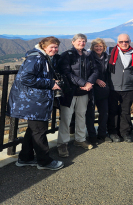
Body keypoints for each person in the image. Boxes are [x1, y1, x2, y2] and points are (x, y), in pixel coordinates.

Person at [7, 36, 64, 171]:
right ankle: (44, 161)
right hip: (33, 102)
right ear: (44, 46)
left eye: (56, 47)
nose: (55, 50)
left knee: (33, 130)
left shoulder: (41, 57)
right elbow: (25, 78)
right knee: (39, 131)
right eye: (52, 47)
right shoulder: (36, 58)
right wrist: (50, 83)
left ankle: (25, 158)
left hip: (34, 101)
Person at [57, 33, 98, 157]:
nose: (82, 43)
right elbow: (67, 73)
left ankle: (80, 139)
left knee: (81, 115)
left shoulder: (88, 55)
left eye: (84, 41)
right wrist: (84, 83)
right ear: (73, 42)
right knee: (66, 118)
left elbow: (95, 70)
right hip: (69, 92)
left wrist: (89, 83)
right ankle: (62, 144)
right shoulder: (66, 55)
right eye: (79, 41)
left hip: (84, 92)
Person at [108, 33, 133, 143]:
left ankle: (125, 132)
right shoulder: (110, 52)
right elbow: (93, 51)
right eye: (121, 42)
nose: (124, 43)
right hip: (113, 87)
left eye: (126, 41)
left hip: (128, 88)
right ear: (117, 42)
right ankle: (113, 132)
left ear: (129, 42)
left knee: (125, 111)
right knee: (113, 111)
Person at [86, 38, 110, 143]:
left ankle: (102, 134)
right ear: (92, 47)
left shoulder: (106, 57)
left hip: (103, 88)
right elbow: (86, 71)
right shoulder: (88, 57)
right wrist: (95, 80)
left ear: (104, 47)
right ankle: (92, 135)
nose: (98, 48)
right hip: (91, 87)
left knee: (104, 112)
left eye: (100, 46)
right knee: (90, 113)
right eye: (96, 46)